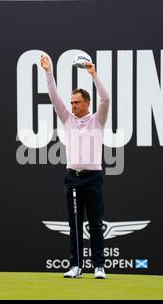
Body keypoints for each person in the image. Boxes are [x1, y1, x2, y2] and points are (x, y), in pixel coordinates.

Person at [40, 53, 110, 279]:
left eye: (76, 102)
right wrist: (48, 72)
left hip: (93, 178)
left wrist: (94, 75)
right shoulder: (68, 119)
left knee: (96, 225)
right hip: (73, 178)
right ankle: (76, 266)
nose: (72, 106)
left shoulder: (97, 120)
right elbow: (53, 97)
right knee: (75, 226)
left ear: (87, 103)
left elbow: (106, 99)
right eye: (71, 102)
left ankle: (99, 266)